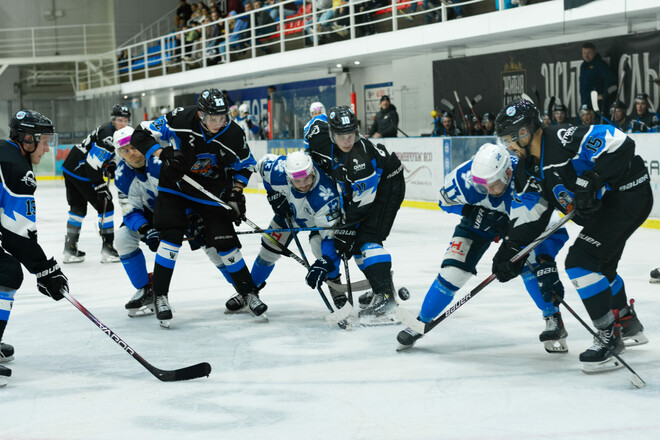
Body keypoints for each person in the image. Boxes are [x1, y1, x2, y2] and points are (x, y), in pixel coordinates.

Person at [492, 99, 650, 373]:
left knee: (581, 261)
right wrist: (511, 249)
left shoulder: (565, 139)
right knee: (601, 267)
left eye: (511, 138)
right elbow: (531, 213)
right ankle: (625, 320)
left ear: (526, 131)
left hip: (628, 194)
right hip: (606, 208)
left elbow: (620, 142)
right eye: (504, 139)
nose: (509, 145)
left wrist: (596, 176)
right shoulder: (526, 170)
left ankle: (608, 335)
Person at [397, 143, 570, 351]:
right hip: (477, 224)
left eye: (493, 184)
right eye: (482, 185)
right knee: (453, 271)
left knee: (530, 264)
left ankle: (553, 317)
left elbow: (551, 228)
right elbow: (444, 202)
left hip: (518, 226)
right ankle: (420, 321)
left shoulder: (527, 182)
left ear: (507, 173)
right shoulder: (464, 178)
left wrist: (544, 260)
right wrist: (471, 212)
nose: (488, 190)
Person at [130, 88, 264, 326]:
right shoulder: (180, 118)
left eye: (223, 117)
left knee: (225, 242)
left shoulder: (233, 133)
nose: (219, 123)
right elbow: (139, 134)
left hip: (209, 192)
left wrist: (235, 193)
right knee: (170, 237)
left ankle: (248, 292)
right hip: (175, 187)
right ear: (201, 114)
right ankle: (160, 296)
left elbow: (245, 165)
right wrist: (163, 152)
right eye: (214, 118)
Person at [112, 127, 234, 319]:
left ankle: (240, 288)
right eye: (124, 150)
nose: (131, 153)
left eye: (133, 147)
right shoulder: (122, 174)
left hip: (182, 210)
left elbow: (187, 191)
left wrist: (192, 216)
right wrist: (145, 228)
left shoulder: (160, 161)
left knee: (210, 243)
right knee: (122, 237)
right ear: (118, 153)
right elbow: (129, 211)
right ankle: (146, 289)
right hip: (152, 216)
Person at [305, 105, 406, 318]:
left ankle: (385, 296)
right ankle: (382, 284)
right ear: (331, 133)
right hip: (368, 188)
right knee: (359, 237)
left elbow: (363, 204)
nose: (347, 141)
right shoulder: (319, 136)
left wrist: (346, 231)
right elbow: (313, 127)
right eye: (341, 136)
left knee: (368, 236)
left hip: (388, 184)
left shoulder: (359, 159)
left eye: (350, 134)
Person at [0, 110, 70, 386]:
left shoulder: (7, 154)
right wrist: (46, 271)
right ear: (27, 139)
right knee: (6, 273)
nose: (47, 147)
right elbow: (16, 234)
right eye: (44, 140)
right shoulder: (18, 169)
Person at [250, 151, 348, 308]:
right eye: (297, 180)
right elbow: (261, 165)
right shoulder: (277, 171)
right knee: (268, 251)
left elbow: (331, 238)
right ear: (288, 177)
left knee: (319, 246)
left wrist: (325, 262)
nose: (303, 184)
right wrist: (273, 196)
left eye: (307, 178)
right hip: (288, 216)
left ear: (312, 172)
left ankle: (335, 284)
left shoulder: (326, 196)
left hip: (317, 219)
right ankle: (249, 291)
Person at [61, 104, 130, 264]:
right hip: (81, 170)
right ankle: (108, 249)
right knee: (106, 204)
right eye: (120, 120)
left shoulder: (110, 130)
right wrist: (99, 185)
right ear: (113, 120)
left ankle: (69, 249)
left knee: (77, 208)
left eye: (126, 120)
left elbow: (102, 155)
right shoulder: (109, 134)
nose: (123, 124)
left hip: (70, 167)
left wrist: (110, 165)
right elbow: (92, 164)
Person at [579, 42, 616, 111]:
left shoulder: (600, 65)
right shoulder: (583, 66)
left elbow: (610, 80)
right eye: (584, 53)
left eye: (589, 53)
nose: (586, 56)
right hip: (585, 102)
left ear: (595, 52)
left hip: (597, 104)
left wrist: (603, 95)